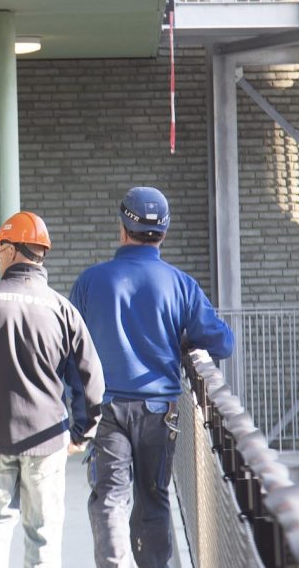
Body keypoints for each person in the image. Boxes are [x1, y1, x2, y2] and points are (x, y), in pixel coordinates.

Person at [70, 187, 234, 568]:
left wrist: (74, 409)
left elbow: (69, 349)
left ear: (122, 227)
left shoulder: (90, 282)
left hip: (105, 408)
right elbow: (223, 343)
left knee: (110, 496)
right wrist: (183, 339)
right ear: (164, 232)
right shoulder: (180, 284)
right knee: (154, 497)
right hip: (160, 409)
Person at [0, 211, 106, 568]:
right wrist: (81, 434)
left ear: (11, 250)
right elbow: (89, 380)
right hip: (47, 440)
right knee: (42, 538)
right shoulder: (64, 311)